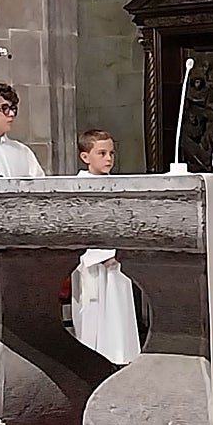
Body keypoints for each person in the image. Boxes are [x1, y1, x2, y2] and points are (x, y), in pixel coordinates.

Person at [70, 129, 140, 365]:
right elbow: (78, 226)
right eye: (101, 153)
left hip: (118, 261)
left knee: (119, 318)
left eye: (111, 153)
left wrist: (120, 250)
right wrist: (101, 254)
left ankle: (122, 360)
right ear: (85, 157)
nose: (108, 158)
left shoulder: (117, 184)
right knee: (94, 317)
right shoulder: (77, 187)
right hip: (93, 264)